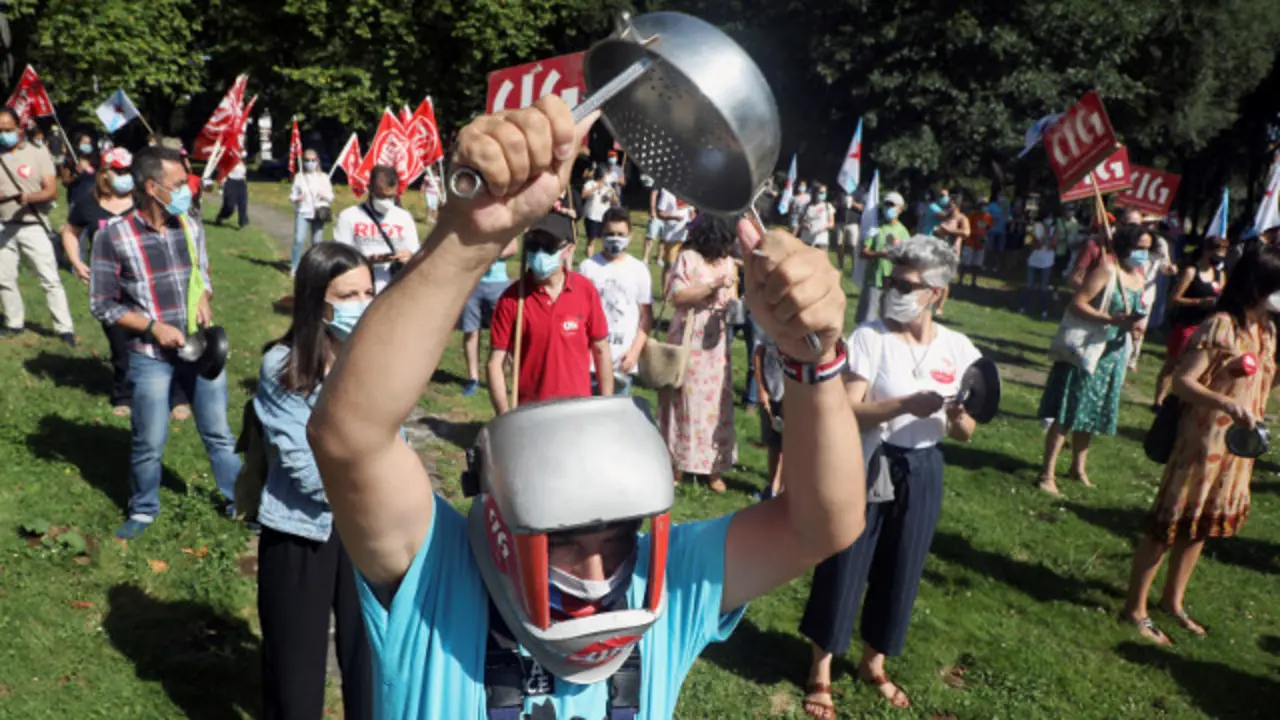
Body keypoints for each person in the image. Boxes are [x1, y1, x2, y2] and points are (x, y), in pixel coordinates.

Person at [305, 97, 864, 718]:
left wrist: (812, 360)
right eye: (566, 543)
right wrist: (470, 235)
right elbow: (350, 438)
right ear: (502, 522)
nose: (598, 575)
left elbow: (823, 525)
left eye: (618, 538)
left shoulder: (664, 584)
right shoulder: (438, 574)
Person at [800, 235, 981, 717]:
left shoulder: (958, 348)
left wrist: (958, 416)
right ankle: (820, 669)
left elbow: (965, 432)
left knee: (903, 565)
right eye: (891, 281)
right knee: (846, 559)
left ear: (936, 294)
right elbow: (848, 411)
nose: (893, 290)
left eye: (906, 284)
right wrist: (903, 404)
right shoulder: (870, 337)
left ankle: (873, 662)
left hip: (923, 467)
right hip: (871, 462)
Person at [1122, 244, 1280, 644]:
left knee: (1199, 527)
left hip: (1236, 449)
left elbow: (1265, 383)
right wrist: (1225, 402)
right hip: (1201, 442)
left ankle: (1172, 602)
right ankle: (1135, 609)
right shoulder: (1220, 326)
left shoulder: (1266, 331)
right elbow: (1182, 382)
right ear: (1257, 287)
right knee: (1168, 525)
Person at [89, 146, 241, 538]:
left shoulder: (190, 224)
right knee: (149, 439)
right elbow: (102, 304)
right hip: (149, 356)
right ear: (152, 188)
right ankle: (143, 509)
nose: (187, 190)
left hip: (199, 348)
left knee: (219, 433)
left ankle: (240, 502)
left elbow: (203, 273)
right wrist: (152, 327)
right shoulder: (113, 237)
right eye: (178, 183)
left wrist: (204, 297)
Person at [255, 242, 373, 720]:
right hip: (301, 534)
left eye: (368, 292)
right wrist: (375, 479)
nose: (362, 304)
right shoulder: (282, 366)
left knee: (372, 666)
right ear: (317, 303)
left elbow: (399, 442)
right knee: (295, 677)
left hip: (365, 532)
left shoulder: (376, 360)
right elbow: (306, 472)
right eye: (348, 296)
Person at [62, 148, 190, 418]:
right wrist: (77, 261)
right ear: (104, 173)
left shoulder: (140, 202)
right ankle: (124, 394)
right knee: (121, 346)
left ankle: (177, 394)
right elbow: (70, 231)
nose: (123, 176)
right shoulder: (88, 204)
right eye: (117, 171)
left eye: (126, 171)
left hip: (146, 285)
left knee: (168, 339)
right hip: (111, 287)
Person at [1035, 223, 1151, 496]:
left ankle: (1078, 468)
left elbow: (1134, 311)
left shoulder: (1138, 277)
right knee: (1068, 409)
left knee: (1091, 411)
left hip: (1113, 354)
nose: (1144, 254)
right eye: (1140, 248)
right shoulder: (1107, 269)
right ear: (1126, 246)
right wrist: (1110, 319)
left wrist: (1134, 325)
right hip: (1088, 349)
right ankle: (1047, 474)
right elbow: (1078, 302)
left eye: (1148, 249)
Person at [487, 212, 611, 413]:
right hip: (531, 412)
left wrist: (607, 405)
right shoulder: (512, 299)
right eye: (533, 245)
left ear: (568, 249)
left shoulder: (585, 290)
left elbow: (601, 349)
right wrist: (504, 415)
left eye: (548, 246)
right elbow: (495, 363)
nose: (539, 253)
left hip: (578, 410)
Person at [660, 215, 739, 493]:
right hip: (689, 336)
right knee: (685, 401)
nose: (725, 250)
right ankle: (677, 463)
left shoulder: (729, 263)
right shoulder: (688, 258)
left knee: (715, 403)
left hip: (715, 342)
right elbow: (677, 297)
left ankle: (713, 467)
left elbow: (732, 298)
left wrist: (734, 304)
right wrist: (711, 287)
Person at [0, 106, 76, 345]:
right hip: (3, 225)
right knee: (4, 278)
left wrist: (28, 197)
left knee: (49, 278)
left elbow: (51, 191)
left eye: (7, 129)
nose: (3, 134)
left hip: (33, 223)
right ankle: (14, 322)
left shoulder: (37, 152)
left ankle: (64, 328)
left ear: (19, 128)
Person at [579, 207, 653, 396]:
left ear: (630, 236)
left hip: (621, 362)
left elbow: (646, 317)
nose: (615, 238)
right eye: (610, 233)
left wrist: (634, 353)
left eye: (621, 234)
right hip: (590, 362)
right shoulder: (588, 267)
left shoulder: (638, 270)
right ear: (601, 234)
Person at [1154, 235, 1228, 408]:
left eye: (1222, 255)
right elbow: (1174, 299)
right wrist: (1199, 302)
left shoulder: (1219, 275)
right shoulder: (1191, 272)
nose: (1219, 258)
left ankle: (1183, 402)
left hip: (1207, 326)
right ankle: (1159, 400)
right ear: (1206, 251)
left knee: (1196, 366)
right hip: (1186, 324)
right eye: (1217, 253)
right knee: (1173, 364)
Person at [332, 165, 420, 293]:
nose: (386, 201)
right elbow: (338, 256)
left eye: (391, 197)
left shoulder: (404, 217)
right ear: (369, 188)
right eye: (381, 196)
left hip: (395, 287)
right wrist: (366, 260)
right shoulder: (349, 216)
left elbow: (415, 253)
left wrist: (408, 257)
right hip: (360, 287)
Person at [457, 237, 518, 397]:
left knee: (504, 334)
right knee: (471, 331)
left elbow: (513, 248)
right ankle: (473, 378)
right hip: (472, 283)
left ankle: (513, 379)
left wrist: (491, 254)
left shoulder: (503, 225)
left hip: (498, 284)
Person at [855, 191, 910, 324]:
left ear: (900, 208)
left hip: (892, 282)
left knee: (888, 321)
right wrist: (880, 254)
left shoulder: (903, 232)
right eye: (886, 205)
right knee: (866, 319)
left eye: (892, 205)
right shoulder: (875, 228)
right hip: (874, 279)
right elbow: (863, 252)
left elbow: (907, 258)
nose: (888, 208)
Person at [752, 318, 785, 500]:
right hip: (772, 391)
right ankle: (772, 486)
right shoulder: (772, 323)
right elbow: (759, 352)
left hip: (793, 396)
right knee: (773, 443)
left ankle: (780, 491)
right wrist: (761, 388)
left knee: (789, 446)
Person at [289, 148, 335, 275]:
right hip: (303, 211)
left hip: (319, 212)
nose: (310, 163)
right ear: (303, 162)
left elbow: (331, 196)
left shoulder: (324, 177)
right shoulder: (299, 177)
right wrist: (297, 198)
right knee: (299, 239)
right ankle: (295, 266)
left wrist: (323, 195)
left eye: (313, 160)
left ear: (317, 161)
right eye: (307, 160)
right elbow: (292, 196)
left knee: (317, 243)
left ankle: (315, 267)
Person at [933, 194, 970, 315]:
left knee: (945, 280)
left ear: (957, 205)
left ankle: (940, 307)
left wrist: (949, 231)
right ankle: (932, 300)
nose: (948, 205)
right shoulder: (946, 217)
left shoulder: (962, 218)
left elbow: (966, 233)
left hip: (952, 253)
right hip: (939, 250)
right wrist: (938, 231)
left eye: (951, 203)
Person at [1021, 211, 1058, 318]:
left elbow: (1053, 245)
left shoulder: (1055, 229)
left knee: (1043, 287)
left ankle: (1043, 310)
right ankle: (1023, 306)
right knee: (1029, 285)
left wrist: (1048, 235)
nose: (1049, 220)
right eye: (1047, 217)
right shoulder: (1037, 227)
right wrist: (1043, 237)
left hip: (1047, 262)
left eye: (1051, 217)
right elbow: (1035, 244)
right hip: (1034, 260)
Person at [656, 187, 694, 270]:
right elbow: (660, 213)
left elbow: (692, 211)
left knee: (681, 266)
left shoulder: (687, 191)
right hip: (671, 235)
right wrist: (674, 217)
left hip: (685, 235)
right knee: (670, 266)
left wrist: (692, 221)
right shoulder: (667, 192)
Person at [580, 165, 615, 258]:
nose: (608, 176)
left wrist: (612, 193)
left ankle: (602, 258)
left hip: (604, 217)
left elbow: (614, 201)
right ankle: (590, 259)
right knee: (591, 240)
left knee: (604, 240)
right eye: (606, 174)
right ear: (602, 174)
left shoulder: (608, 187)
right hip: (592, 216)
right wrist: (596, 188)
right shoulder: (590, 183)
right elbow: (583, 195)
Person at [60, 131, 98, 212]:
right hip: (76, 201)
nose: (87, 145)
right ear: (78, 144)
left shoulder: (95, 161)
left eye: (89, 143)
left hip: (94, 201)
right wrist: (76, 174)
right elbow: (65, 181)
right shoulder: (71, 161)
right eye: (84, 143)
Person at [214, 155, 250, 228]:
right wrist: (221, 185)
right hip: (230, 182)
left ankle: (242, 222)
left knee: (243, 203)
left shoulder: (242, 162)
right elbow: (221, 171)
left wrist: (244, 181)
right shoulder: (228, 160)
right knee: (230, 206)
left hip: (241, 183)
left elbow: (243, 174)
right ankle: (221, 216)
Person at [798, 183, 835, 249]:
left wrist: (825, 227)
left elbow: (832, 223)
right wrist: (805, 225)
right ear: (815, 193)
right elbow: (799, 221)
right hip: (806, 240)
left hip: (821, 241)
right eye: (821, 192)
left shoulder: (828, 206)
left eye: (824, 192)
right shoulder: (806, 206)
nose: (823, 194)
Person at [836, 187, 863, 272]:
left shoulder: (858, 193)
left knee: (853, 246)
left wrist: (852, 203)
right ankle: (840, 265)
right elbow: (836, 205)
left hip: (853, 223)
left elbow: (862, 208)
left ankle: (855, 267)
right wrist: (842, 203)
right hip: (841, 222)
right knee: (840, 244)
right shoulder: (841, 192)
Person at [985, 193, 1009, 271]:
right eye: (1001, 196)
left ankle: (997, 266)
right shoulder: (992, 205)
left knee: (1000, 250)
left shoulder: (1006, 207)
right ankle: (987, 264)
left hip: (1002, 232)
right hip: (992, 231)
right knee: (990, 248)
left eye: (1004, 197)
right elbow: (985, 215)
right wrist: (993, 218)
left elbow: (1008, 217)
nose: (1002, 198)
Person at [642, 177, 662, 264]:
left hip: (668, 215)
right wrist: (653, 210)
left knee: (664, 239)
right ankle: (645, 258)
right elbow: (653, 195)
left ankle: (659, 259)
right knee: (650, 237)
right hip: (656, 214)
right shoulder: (659, 181)